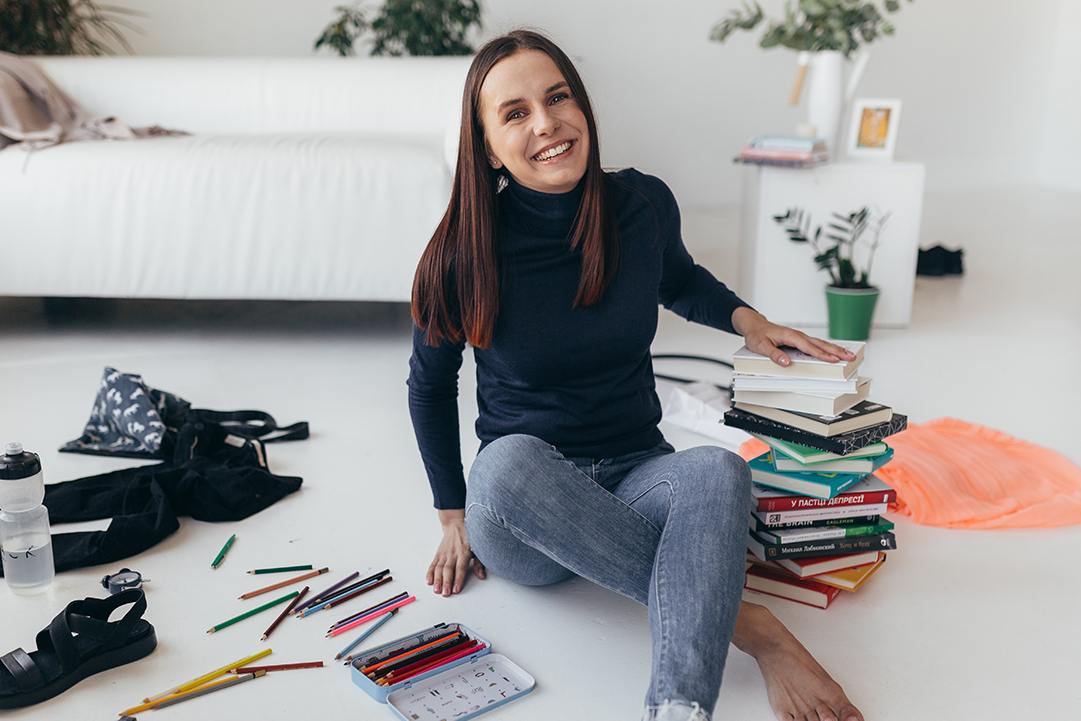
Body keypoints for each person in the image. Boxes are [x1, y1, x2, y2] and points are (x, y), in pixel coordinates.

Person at [407, 29, 864, 721]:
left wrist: (750, 320)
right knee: (500, 468)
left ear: (582, 106)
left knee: (717, 470)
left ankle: (677, 706)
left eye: (557, 97)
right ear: (486, 145)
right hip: (526, 515)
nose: (546, 123)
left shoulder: (640, 205)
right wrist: (450, 513)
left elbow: (678, 279)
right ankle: (755, 628)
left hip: (635, 476)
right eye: (514, 112)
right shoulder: (458, 255)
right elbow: (429, 384)